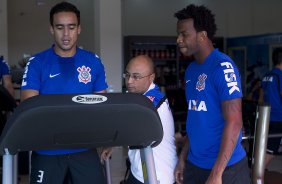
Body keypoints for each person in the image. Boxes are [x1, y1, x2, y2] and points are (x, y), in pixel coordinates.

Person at [21, 2, 111, 184]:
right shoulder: (37, 62)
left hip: (84, 148)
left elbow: (102, 106)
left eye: (71, 27)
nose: (66, 34)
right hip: (47, 149)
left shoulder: (93, 62)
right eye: (60, 27)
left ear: (79, 29)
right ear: (51, 29)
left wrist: (108, 139)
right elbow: (29, 107)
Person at [173, 4, 250, 184]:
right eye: (178, 34)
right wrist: (183, 158)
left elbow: (235, 121)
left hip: (226, 169)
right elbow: (196, 119)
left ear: (202, 36)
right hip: (195, 165)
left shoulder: (223, 67)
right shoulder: (191, 70)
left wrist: (217, 173)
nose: (178, 39)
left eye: (184, 34)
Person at [124, 55, 178, 184]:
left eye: (136, 77)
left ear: (151, 78)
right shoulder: (136, 95)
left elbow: (126, 131)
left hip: (157, 175)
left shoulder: (152, 102)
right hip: (140, 170)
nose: (129, 81)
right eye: (127, 75)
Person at [259, 47, 282, 170]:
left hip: (267, 117)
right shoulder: (280, 76)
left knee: (266, 148)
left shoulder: (266, 76)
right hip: (279, 118)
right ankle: (255, 175)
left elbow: (261, 98)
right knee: (270, 151)